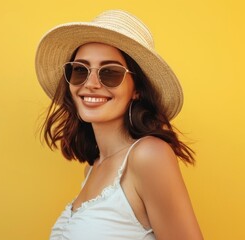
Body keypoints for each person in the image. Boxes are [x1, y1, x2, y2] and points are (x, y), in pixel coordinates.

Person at [35, 10, 203, 240]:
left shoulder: (149, 155)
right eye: (80, 70)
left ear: (137, 89)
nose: (91, 84)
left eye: (110, 73)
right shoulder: (92, 168)